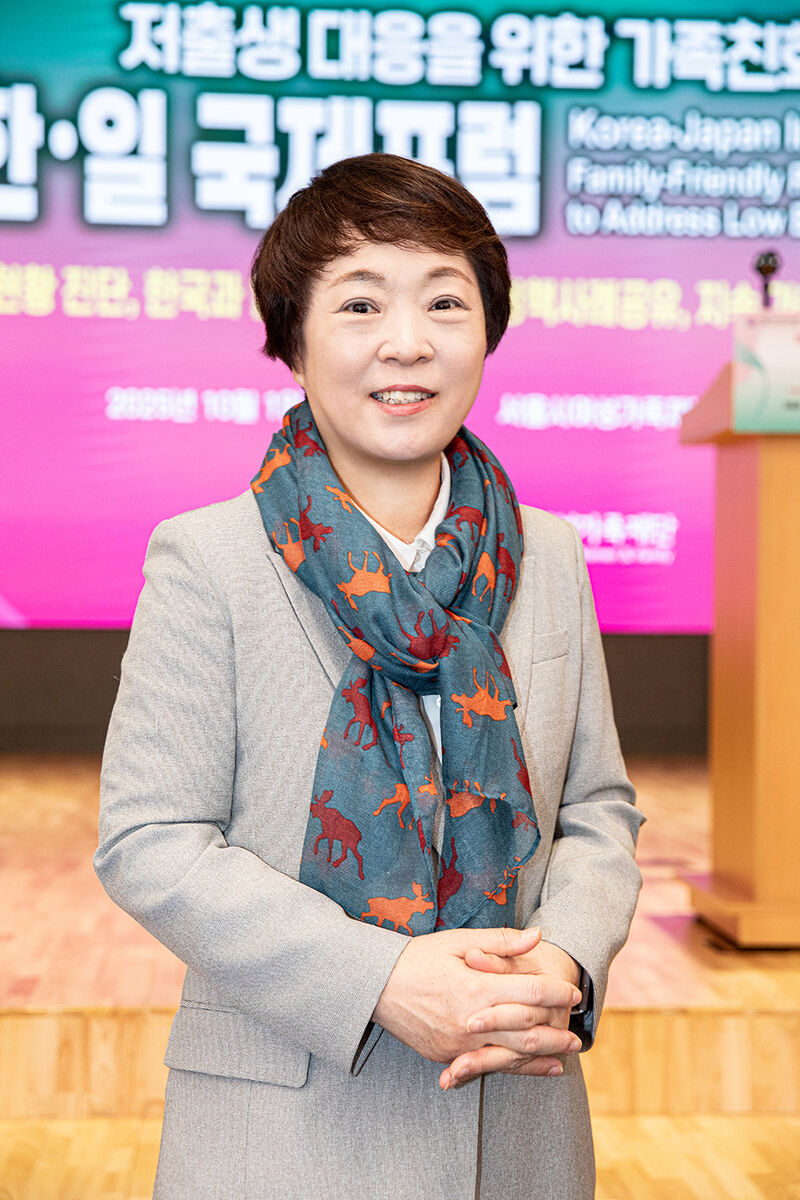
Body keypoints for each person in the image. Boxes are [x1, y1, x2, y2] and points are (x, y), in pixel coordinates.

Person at [94, 153, 644, 1200]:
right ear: (293, 341)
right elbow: (151, 841)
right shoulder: (207, 558)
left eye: (444, 301)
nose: (407, 342)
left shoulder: (551, 555)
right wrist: (381, 978)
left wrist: (566, 962)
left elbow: (595, 810)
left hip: (513, 1125)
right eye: (359, 304)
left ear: (487, 329)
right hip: (282, 1136)